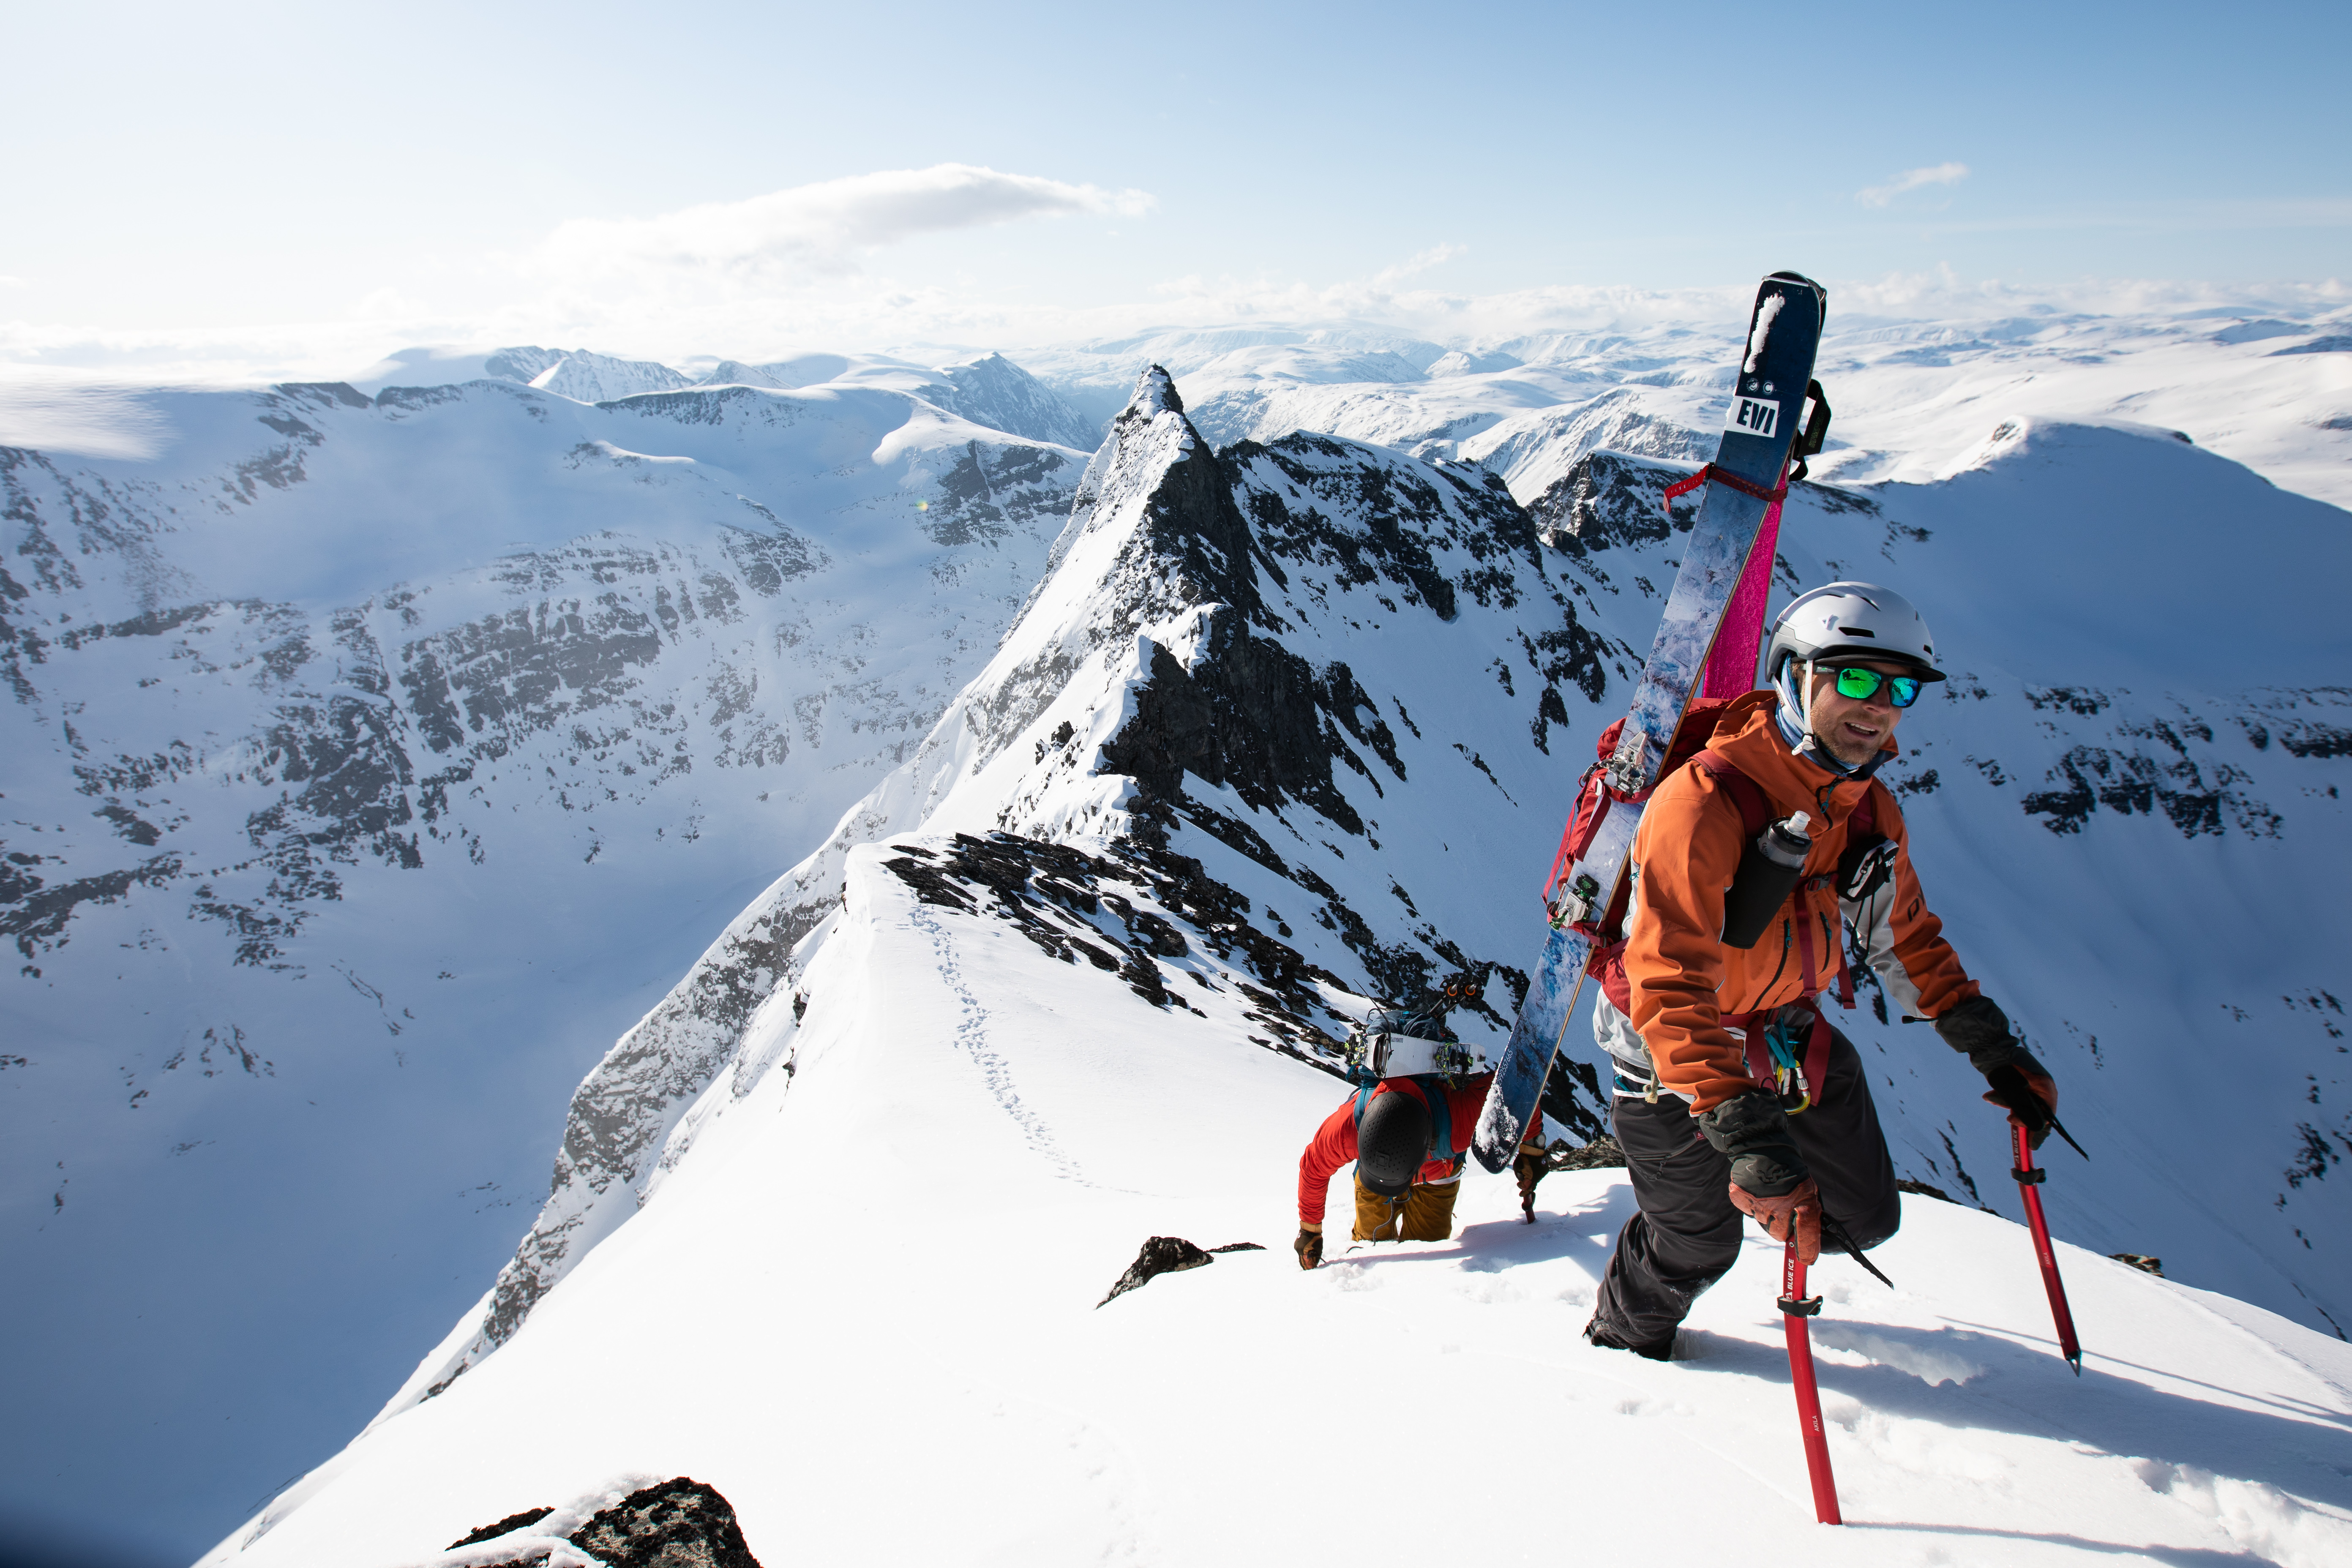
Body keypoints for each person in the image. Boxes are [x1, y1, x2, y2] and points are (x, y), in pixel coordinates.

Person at [1583, 582, 2058, 1357]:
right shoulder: (1704, 801)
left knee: (1862, 1217)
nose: (1878, 706)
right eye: (1857, 678)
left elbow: (1902, 937)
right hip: (1672, 1062)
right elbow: (1666, 981)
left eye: (1900, 687)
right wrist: (1740, 1129)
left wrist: (1990, 1044)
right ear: (1794, 674)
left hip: (1786, 1036)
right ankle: (1621, 1343)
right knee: (1697, 1248)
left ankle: (1734, 1187)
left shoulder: (1868, 810)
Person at [1292, 995, 1545, 1268]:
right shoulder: (1355, 1125)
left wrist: (1311, 1230)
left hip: (1422, 1179)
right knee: (1420, 1259)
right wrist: (1532, 1149)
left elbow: (1313, 1167)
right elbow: (1513, 1095)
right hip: (1433, 1174)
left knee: (1402, 1259)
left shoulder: (1450, 1122)